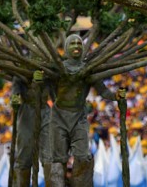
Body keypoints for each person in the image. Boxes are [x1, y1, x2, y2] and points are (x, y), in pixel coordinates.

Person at [41, 34, 122, 187]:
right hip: (58, 116)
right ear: (66, 48)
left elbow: (103, 91)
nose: (76, 46)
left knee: (82, 156)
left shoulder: (87, 69)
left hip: (79, 116)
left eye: (79, 43)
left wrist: (116, 96)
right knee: (58, 159)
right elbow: (44, 85)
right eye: (72, 44)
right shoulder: (58, 68)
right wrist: (39, 79)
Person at [11, 72, 55, 186]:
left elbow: (55, 96)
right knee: (24, 153)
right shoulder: (20, 73)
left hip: (45, 110)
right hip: (27, 112)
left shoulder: (48, 71)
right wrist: (15, 101)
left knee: (49, 154)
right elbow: (15, 93)